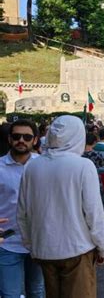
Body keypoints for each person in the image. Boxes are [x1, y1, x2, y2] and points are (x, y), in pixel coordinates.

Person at [17, 115, 104, 298]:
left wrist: (31, 243)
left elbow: (23, 212)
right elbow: (94, 212)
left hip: (44, 248)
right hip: (76, 248)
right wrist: (103, 246)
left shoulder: (32, 167)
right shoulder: (83, 166)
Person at [0, 119, 44, 297]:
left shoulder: (43, 165)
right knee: (10, 294)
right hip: (8, 243)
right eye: (17, 136)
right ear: (10, 139)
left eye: (27, 137)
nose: (21, 140)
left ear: (35, 140)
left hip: (38, 243)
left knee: (37, 291)